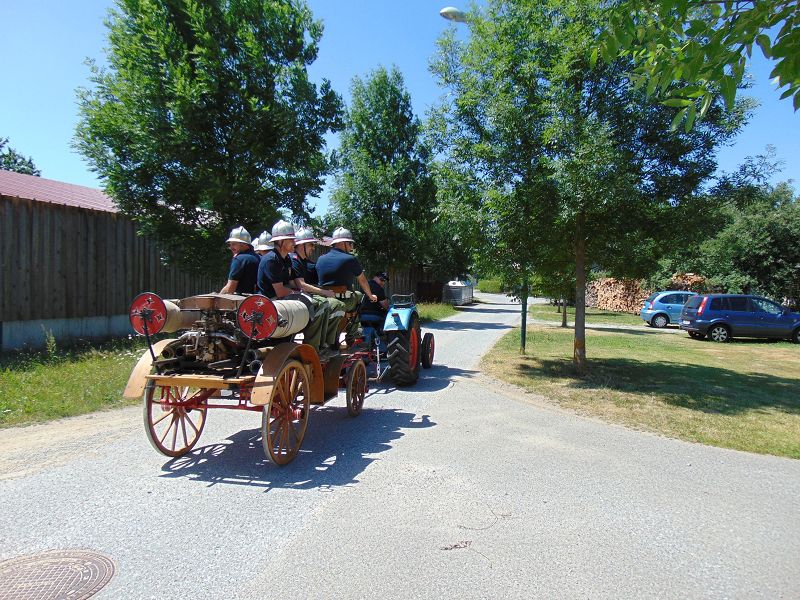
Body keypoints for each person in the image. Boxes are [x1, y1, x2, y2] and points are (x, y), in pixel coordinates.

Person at [256, 220, 330, 355]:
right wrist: (301, 293)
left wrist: (300, 291)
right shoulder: (271, 260)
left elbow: (292, 283)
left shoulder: (286, 259)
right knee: (314, 305)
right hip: (272, 301)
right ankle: (311, 349)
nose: (294, 243)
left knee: (324, 303)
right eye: (291, 240)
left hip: (284, 298)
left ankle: (320, 345)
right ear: (281, 242)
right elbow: (280, 291)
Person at [316, 226, 378, 346]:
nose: (351, 247)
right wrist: (371, 295)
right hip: (342, 299)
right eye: (350, 243)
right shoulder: (350, 259)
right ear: (343, 243)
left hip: (324, 299)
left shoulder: (320, 259)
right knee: (360, 296)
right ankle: (352, 334)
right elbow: (363, 281)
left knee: (356, 295)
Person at [292, 227, 346, 357]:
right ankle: (313, 347)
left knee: (338, 305)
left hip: (305, 296)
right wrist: (324, 292)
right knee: (322, 304)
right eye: (310, 244)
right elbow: (302, 285)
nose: (313, 248)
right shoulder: (294, 260)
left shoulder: (306, 263)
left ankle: (327, 344)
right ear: (301, 245)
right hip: (296, 298)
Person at [220, 225, 259, 294]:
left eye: (234, 244)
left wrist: (219, 298)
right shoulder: (258, 257)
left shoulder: (239, 259)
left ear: (244, 244)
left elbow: (230, 289)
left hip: (241, 301)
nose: (231, 247)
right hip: (257, 300)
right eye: (230, 244)